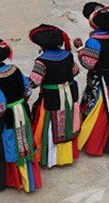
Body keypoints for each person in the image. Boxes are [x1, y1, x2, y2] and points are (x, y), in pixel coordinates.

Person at [0, 38, 41, 193]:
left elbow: (0, 105)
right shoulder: (14, 69)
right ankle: (27, 177)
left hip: (8, 116)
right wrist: (21, 102)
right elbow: (27, 89)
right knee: (24, 140)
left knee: (7, 143)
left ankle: (11, 178)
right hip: (22, 110)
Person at [74, 4, 109, 156]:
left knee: (98, 108)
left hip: (101, 78)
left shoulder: (94, 41)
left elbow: (88, 64)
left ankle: (94, 143)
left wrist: (80, 49)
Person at [27, 24, 81, 167]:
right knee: (68, 121)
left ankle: (51, 158)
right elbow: (75, 71)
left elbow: (34, 82)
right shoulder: (67, 55)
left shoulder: (41, 61)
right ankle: (66, 155)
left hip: (51, 97)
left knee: (51, 124)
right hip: (69, 94)